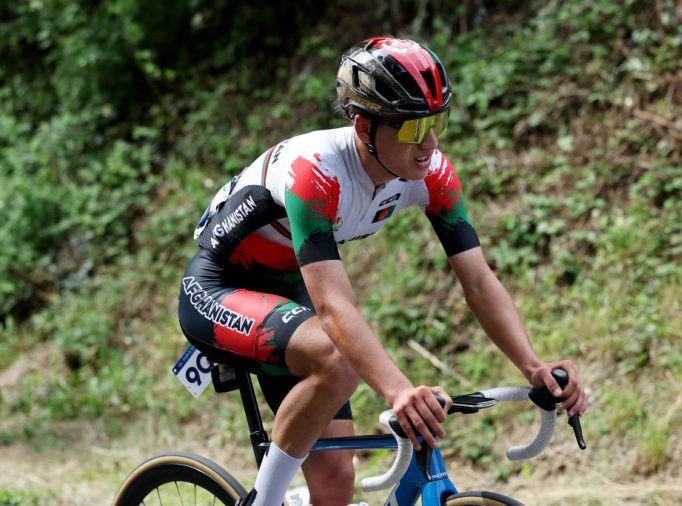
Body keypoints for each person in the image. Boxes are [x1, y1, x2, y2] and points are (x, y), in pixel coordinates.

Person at [178, 36, 588, 506]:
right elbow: (333, 304)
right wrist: (398, 392)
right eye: (413, 130)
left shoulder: (430, 173)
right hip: (219, 287)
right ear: (363, 125)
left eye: (437, 123)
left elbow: (477, 280)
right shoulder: (315, 171)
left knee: (334, 485)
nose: (430, 144)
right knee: (336, 359)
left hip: (287, 293)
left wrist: (534, 366)